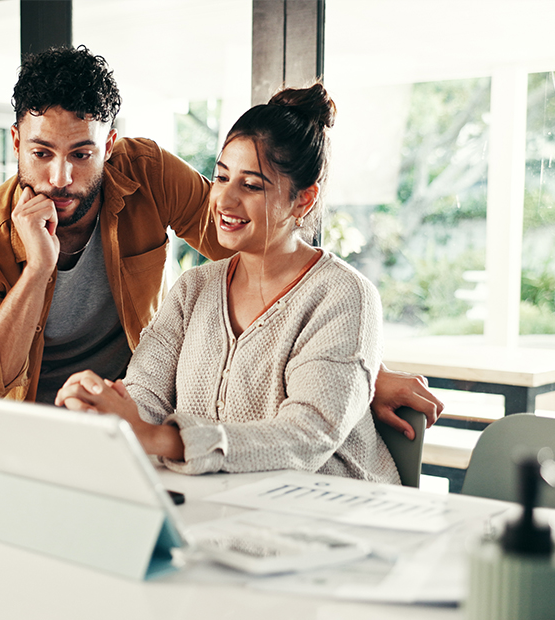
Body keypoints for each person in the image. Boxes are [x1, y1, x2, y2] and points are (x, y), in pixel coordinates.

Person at [0, 45, 442, 437]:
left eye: (82, 154)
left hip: (131, 414)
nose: (60, 177)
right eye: (42, 152)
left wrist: (355, 371)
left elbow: (257, 253)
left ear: (109, 146)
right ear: (15, 142)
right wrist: (37, 271)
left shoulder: (146, 172)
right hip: (22, 431)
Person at [56, 85, 398, 482]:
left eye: (251, 185)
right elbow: (145, 395)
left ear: (303, 200)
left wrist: (160, 439)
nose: (225, 200)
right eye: (220, 177)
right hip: (225, 509)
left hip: (341, 517)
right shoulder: (194, 289)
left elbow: (305, 437)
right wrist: (108, 410)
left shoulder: (343, 295)